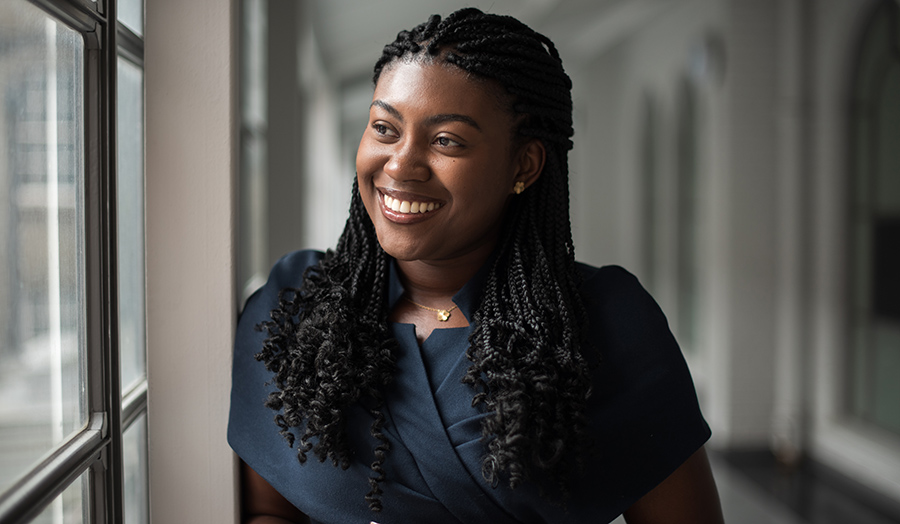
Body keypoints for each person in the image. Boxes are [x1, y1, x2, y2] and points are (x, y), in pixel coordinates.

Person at [228, 8, 724, 524]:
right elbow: (269, 513)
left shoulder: (607, 325)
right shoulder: (294, 307)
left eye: (447, 141)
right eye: (384, 128)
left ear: (524, 165)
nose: (400, 164)